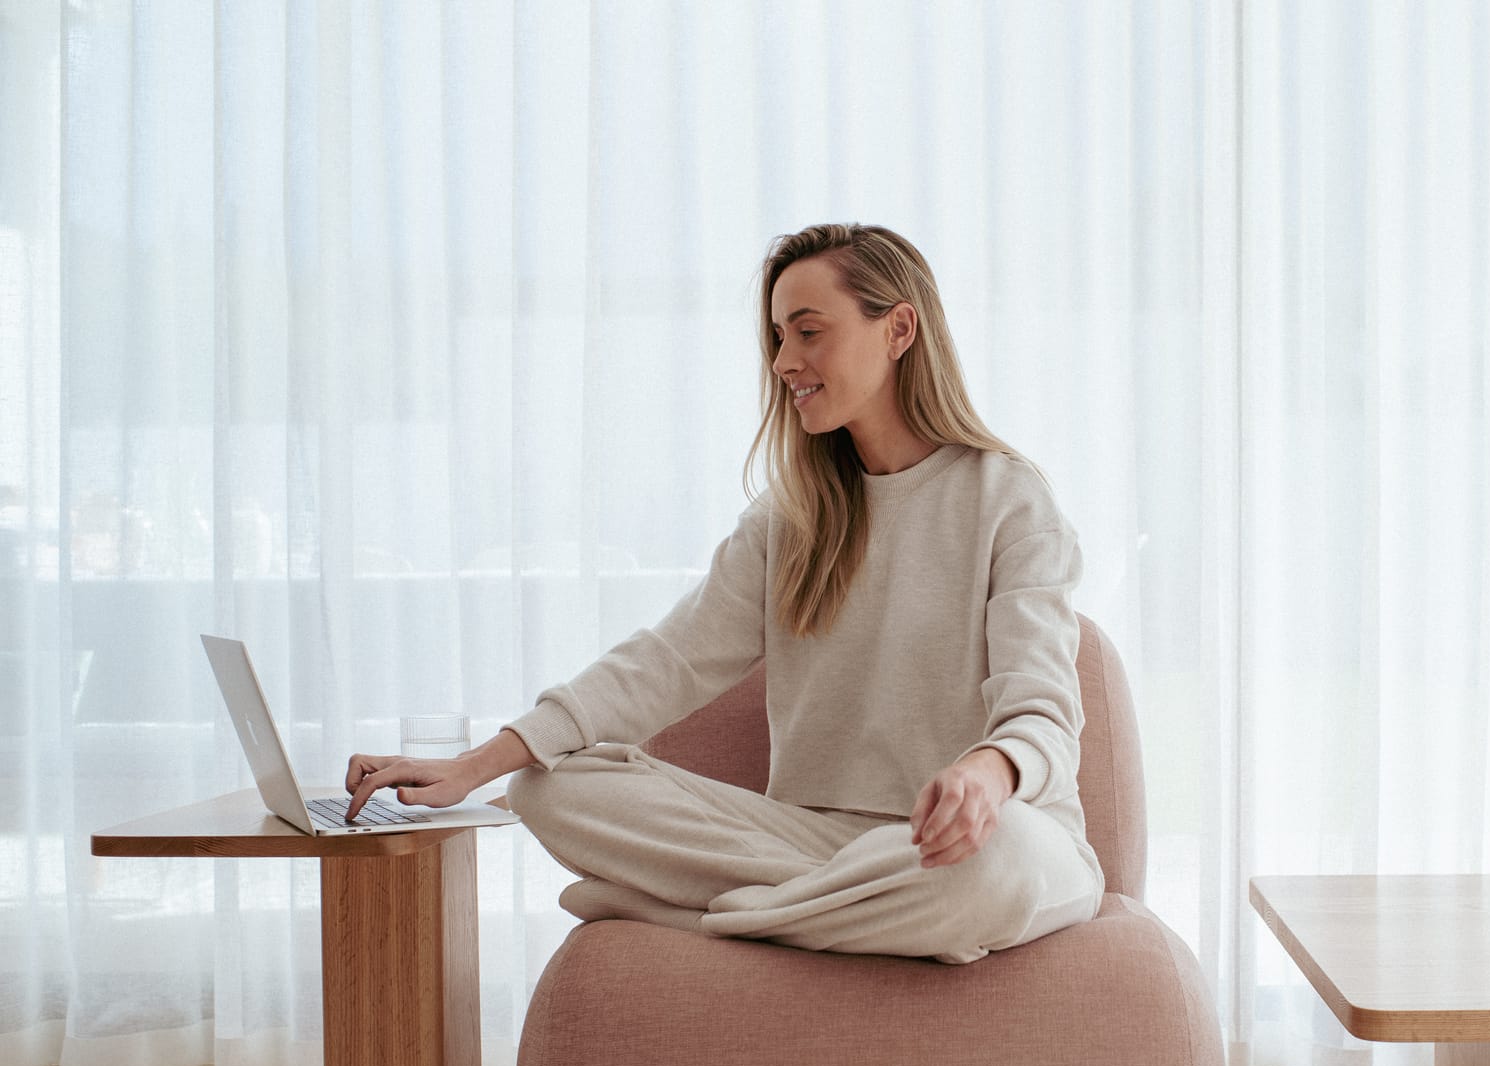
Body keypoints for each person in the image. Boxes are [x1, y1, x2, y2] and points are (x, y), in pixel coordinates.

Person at [341, 222, 1104, 965]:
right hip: (809, 839)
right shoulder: (792, 513)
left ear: (898, 329)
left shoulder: (1008, 499)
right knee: (547, 786)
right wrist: (476, 764)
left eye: (808, 331)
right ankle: (825, 912)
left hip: (979, 836)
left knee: (1001, 864)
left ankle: (706, 913)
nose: (783, 361)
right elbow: (668, 661)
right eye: (777, 337)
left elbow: (1041, 710)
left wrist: (985, 772)